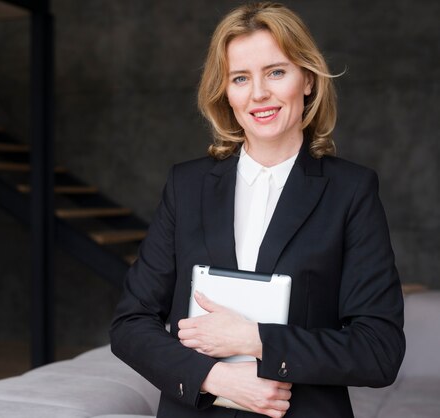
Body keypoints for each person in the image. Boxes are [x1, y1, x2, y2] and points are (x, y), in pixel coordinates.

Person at [109, 2, 405, 418]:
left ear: (307, 80)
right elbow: (130, 325)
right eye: (241, 78)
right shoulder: (186, 185)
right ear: (226, 93)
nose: (259, 93)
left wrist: (257, 340)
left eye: (276, 72)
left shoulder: (351, 191)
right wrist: (213, 378)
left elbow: (379, 351)